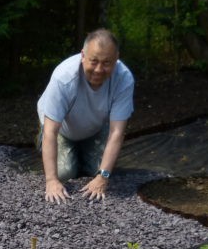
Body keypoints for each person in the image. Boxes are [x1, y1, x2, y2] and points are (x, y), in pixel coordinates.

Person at [36, 29, 135, 203]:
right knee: (65, 173)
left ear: (116, 58)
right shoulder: (63, 78)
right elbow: (51, 131)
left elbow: (117, 132)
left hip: (94, 125)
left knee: (101, 169)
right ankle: (43, 141)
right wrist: (51, 181)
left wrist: (103, 177)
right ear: (83, 55)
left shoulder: (124, 79)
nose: (99, 69)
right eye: (94, 61)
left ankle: (82, 148)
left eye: (106, 63)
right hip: (60, 128)